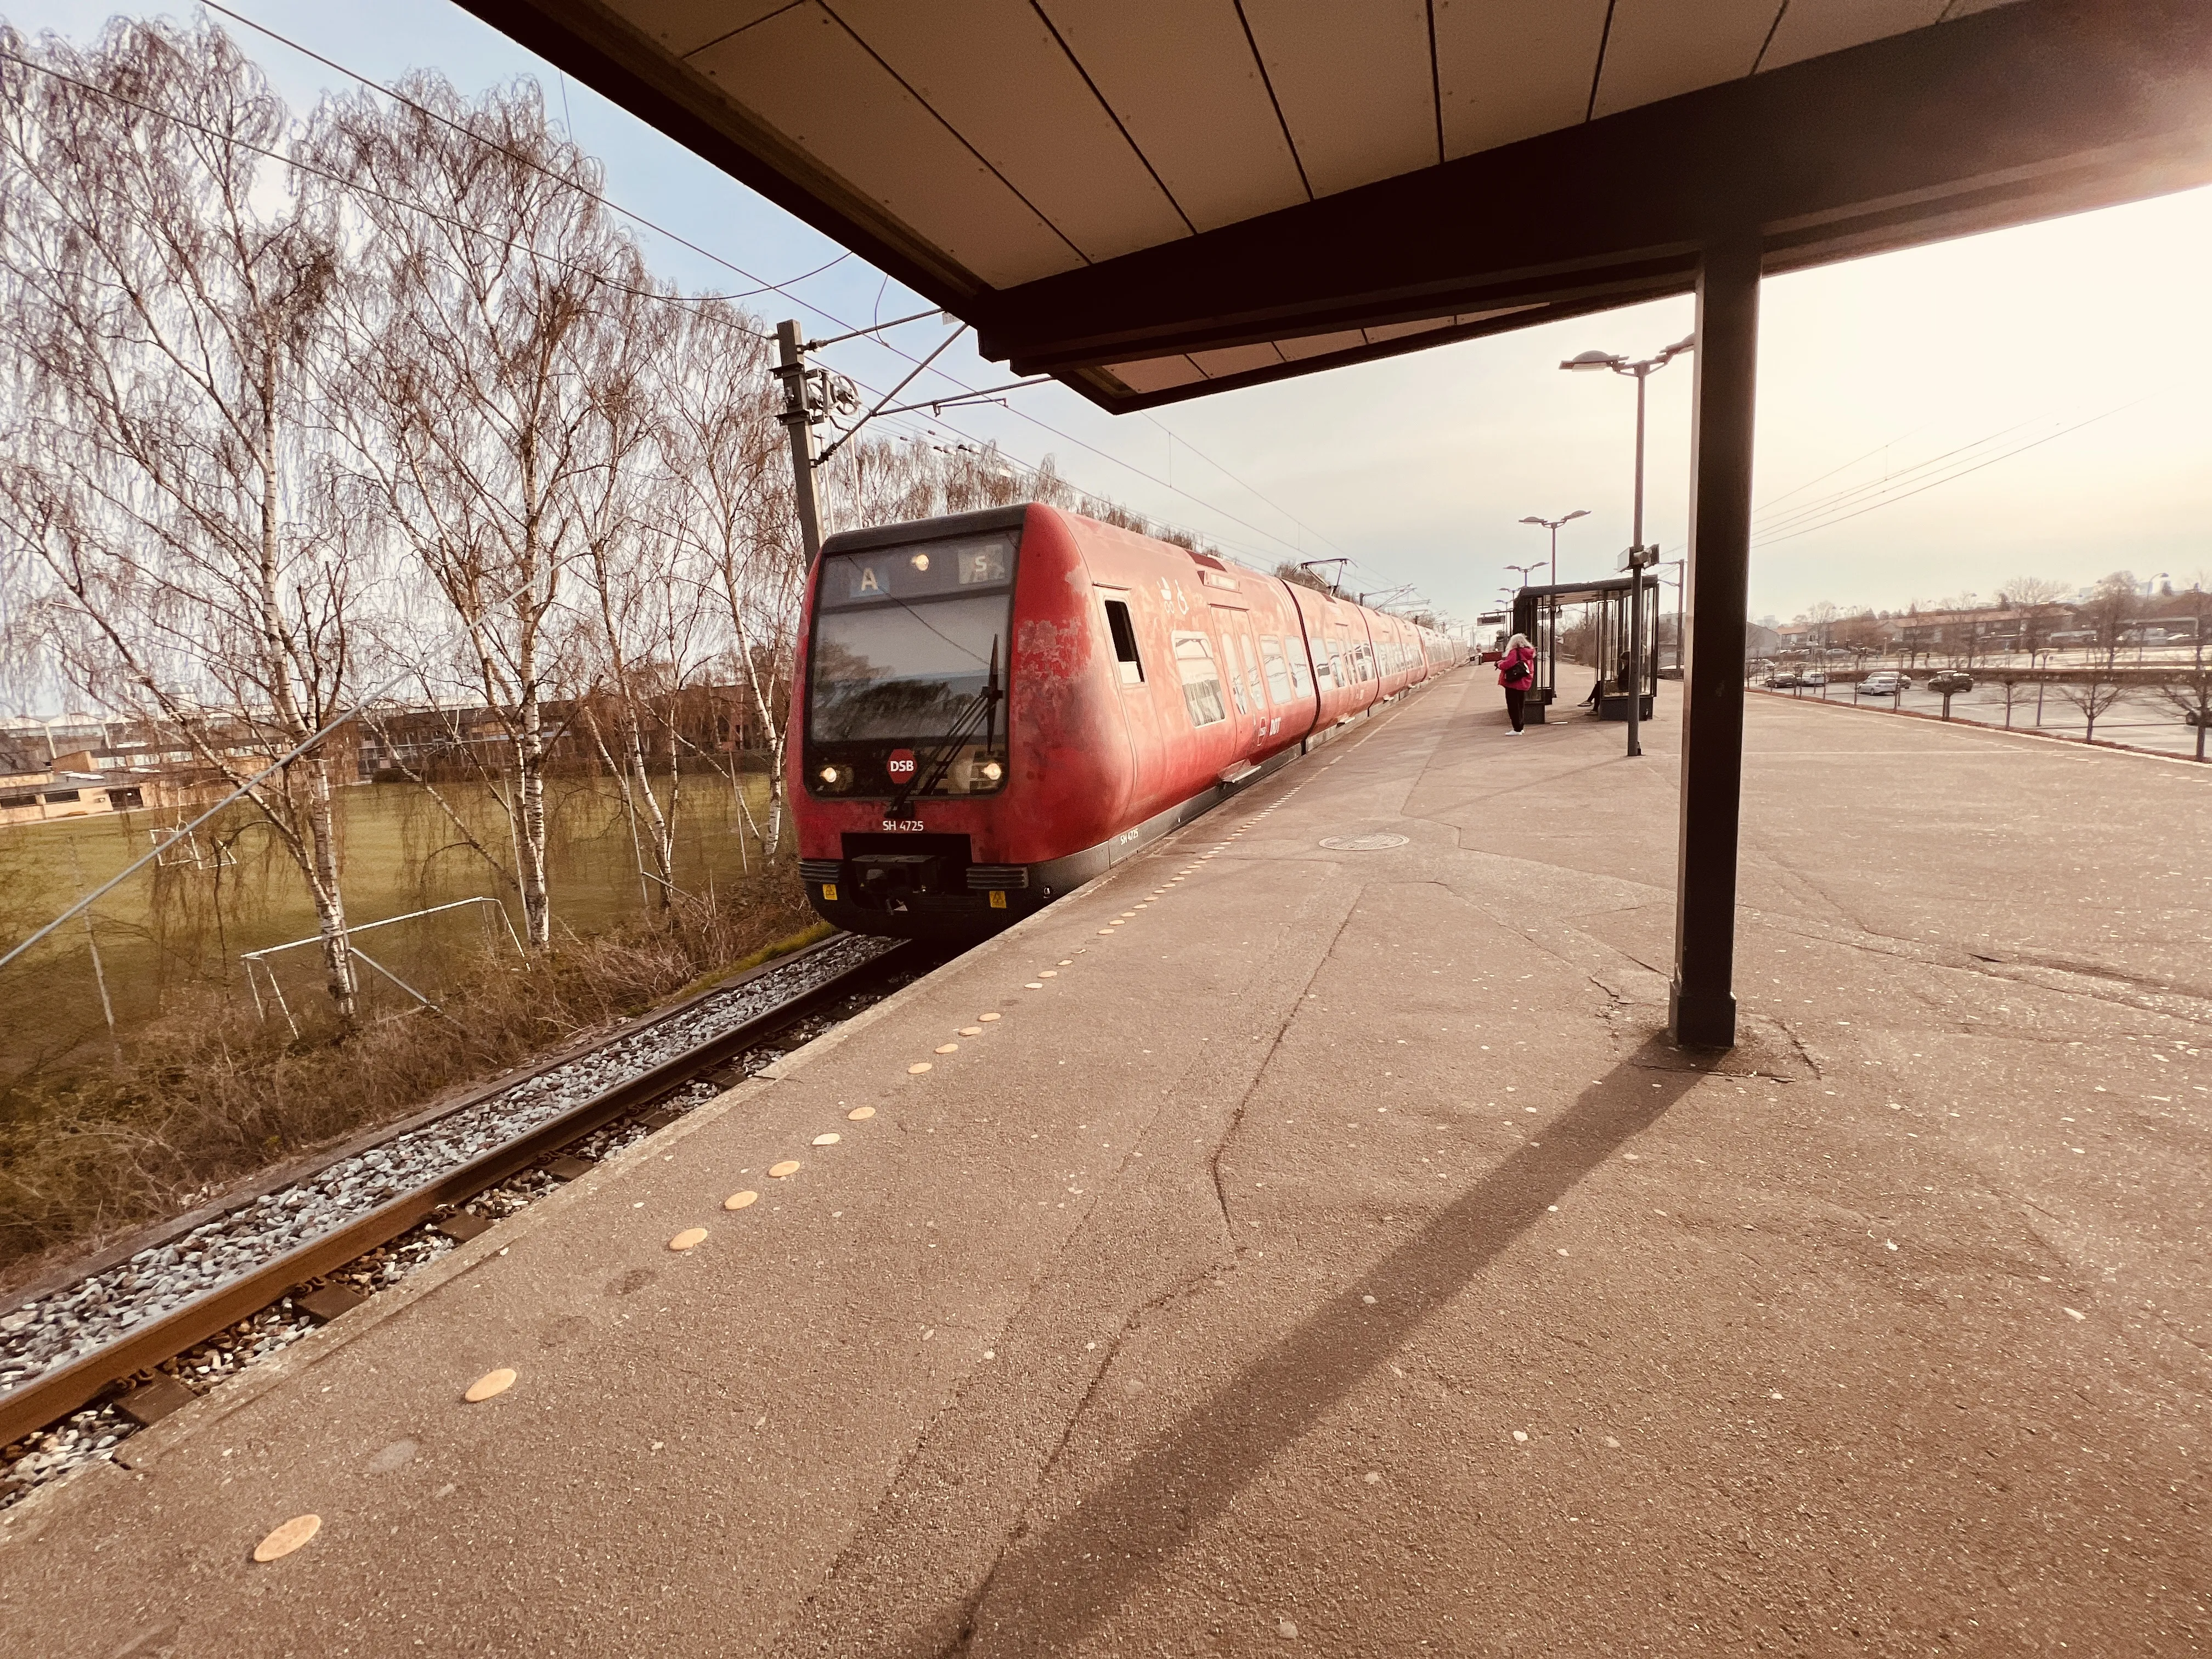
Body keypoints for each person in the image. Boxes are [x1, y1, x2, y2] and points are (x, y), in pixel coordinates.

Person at [1496, 632, 1537, 733]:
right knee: (1520, 706)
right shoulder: (1529, 653)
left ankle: (1517, 729)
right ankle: (1520, 727)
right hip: (1524, 683)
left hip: (1513, 683)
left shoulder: (1515, 652)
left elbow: (1507, 664)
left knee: (1513, 706)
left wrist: (1498, 664)